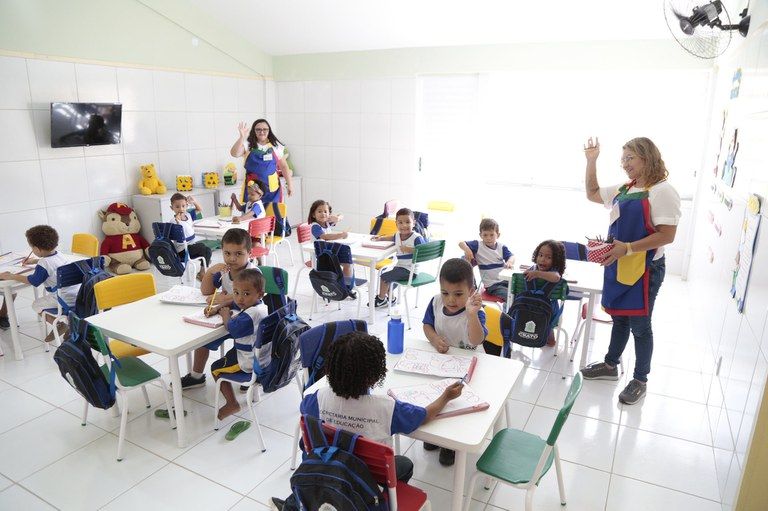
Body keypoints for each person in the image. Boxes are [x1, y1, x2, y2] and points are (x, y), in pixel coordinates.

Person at [269, 331, 463, 511]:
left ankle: (296, 505)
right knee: (404, 464)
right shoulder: (387, 408)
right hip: (366, 479)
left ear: (332, 370)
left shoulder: (314, 399)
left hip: (324, 468)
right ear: (374, 375)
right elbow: (425, 415)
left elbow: (307, 424)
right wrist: (446, 396)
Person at [580, 136, 681, 405]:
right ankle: (611, 366)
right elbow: (592, 193)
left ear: (647, 158)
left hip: (646, 268)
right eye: (622, 159)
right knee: (620, 319)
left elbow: (667, 235)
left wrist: (628, 248)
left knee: (640, 325)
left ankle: (639, 380)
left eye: (629, 158)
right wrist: (591, 160)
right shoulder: (627, 189)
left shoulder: (663, 191)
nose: (624, 164)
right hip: (620, 263)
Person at [422, 257, 487, 466]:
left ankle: (451, 445)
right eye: (445, 293)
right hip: (441, 362)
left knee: (457, 403)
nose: (450, 300)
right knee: (435, 395)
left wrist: (471, 315)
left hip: (469, 365)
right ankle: (434, 434)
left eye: (458, 294)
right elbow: (427, 325)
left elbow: (477, 339)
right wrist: (434, 339)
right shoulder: (435, 302)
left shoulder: (475, 311)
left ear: (471, 291)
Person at [180, 229, 260, 389]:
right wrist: (211, 271)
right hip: (225, 319)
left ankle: (249, 374)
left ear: (249, 253)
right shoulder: (224, 271)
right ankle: (196, 376)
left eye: (238, 254)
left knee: (244, 345)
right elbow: (206, 291)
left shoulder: (252, 273)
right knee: (202, 340)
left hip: (247, 324)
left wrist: (223, 299)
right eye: (227, 253)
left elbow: (246, 297)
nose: (232, 258)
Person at [204, 269, 268, 420]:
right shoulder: (260, 306)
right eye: (236, 292)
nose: (240, 298)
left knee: (215, 369)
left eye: (246, 294)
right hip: (261, 356)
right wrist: (217, 308)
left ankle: (232, 403)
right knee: (229, 355)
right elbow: (234, 303)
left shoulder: (249, 315)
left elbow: (231, 328)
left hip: (249, 362)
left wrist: (225, 316)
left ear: (259, 294)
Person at [0, 225, 79, 341]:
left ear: (37, 249)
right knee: (42, 301)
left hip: (63, 299)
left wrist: (11, 276)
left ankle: (60, 325)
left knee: (36, 304)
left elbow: (33, 281)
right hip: (77, 294)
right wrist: (34, 261)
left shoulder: (44, 264)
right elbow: (52, 262)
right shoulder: (60, 254)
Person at [371, 207, 426, 308]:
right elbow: (392, 237)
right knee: (387, 282)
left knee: (384, 278)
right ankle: (392, 300)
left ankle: (381, 299)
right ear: (396, 224)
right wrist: (381, 238)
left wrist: (408, 249)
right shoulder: (397, 234)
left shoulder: (416, 237)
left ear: (413, 223)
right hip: (400, 267)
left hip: (411, 270)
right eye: (400, 223)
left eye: (407, 222)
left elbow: (424, 252)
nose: (404, 225)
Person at [230, 119, 292, 205]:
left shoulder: (275, 146)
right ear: (254, 131)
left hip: (272, 191)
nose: (261, 132)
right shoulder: (248, 145)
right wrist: (241, 138)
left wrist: (290, 184)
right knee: (252, 215)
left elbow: (284, 166)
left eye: (265, 129)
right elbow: (234, 153)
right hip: (253, 190)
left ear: (269, 131)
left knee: (272, 216)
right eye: (258, 129)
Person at [459, 218, 515, 302]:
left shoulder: (501, 247)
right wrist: (467, 250)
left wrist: (509, 262)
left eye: (492, 235)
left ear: (498, 235)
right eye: (485, 235)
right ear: (481, 235)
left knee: (519, 291)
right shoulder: (478, 245)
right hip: (492, 285)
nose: (488, 238)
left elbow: (512, 256)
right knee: (509, 296)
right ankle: (508, 313)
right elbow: (461, 243)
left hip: (505, 280)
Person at [523, 239, 567, 347]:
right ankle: (548, 338)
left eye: (548, 257)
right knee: (548, 320)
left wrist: (537, 274)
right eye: (541, 255)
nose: (542, 260)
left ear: (556, 260)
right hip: (545, 309)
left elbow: (556, 277)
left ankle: (545, 336)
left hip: (530, 307)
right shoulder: (533, 269)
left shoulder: (547, 272)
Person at [169, 193, 212, 280]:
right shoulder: (173, 221)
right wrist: (178, 221)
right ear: (172, 208)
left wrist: (194, 201)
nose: (181, 209)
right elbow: (178, 235)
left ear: (187, 206)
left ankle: (202, 271)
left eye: (183, 206)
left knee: (205, 249)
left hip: (191, 247)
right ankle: (202, 272)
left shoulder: (188, 215)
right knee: (206, 250)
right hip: (183, 251)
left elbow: (200, 209)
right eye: (177, 207)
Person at [307, 199, 353, 279]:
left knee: (348, 263)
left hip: (329, 251)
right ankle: (345, 286)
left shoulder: (327, 223)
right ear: (313, 215)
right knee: (347, 263)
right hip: (320, 255)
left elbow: (342, 215)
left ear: (329, 214)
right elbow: (324, 237)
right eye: (319, 211)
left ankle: (346, 286)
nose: (323, 214)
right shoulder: (315, 226)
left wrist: (337, 218)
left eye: (325, 211)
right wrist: (340, 235)